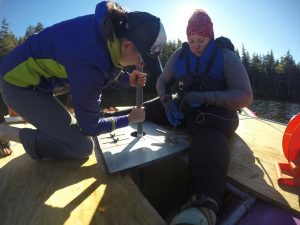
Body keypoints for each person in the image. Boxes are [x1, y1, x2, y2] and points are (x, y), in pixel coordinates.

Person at [0, 1, 167, 160]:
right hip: (16, 83)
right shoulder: (90, 63)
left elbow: (106, 64)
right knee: (81, 147)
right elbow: (90, 127)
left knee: (76, 114)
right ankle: (6, 133)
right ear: (127, 45)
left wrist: (126, 79)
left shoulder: (108, 31)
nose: (141, 64)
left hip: (39, 79)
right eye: (142, 58)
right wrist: (129, 119)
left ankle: (53, 121)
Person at [150, 9, 253, 225]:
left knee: (208, 132)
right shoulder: (179, 55)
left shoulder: (226, 57)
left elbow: (245, 97)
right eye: (192, 40)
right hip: (186, 106)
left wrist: (205, 97)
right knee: (149, 110)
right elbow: (161, 82)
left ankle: (202, 206)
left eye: (202, 40)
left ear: (211, 37)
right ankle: (105, 121)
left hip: (216, 114)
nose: (196, 45)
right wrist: (168, 103)